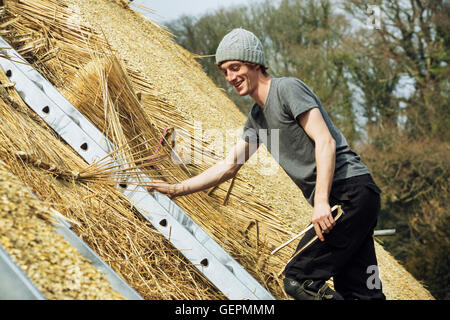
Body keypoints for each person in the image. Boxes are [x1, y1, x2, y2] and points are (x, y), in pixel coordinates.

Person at [146, 28, 386, 300]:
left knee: (300, 279)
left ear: (254, 63)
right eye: (224, 71)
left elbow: (325, 142)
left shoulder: (287, 89)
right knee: (362, 293)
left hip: (349, 193)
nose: (230, 78)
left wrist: (320, 202)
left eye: (235, 67)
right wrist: (177, 189)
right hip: (350, 199)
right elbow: (228, 167)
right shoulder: (257, 119)